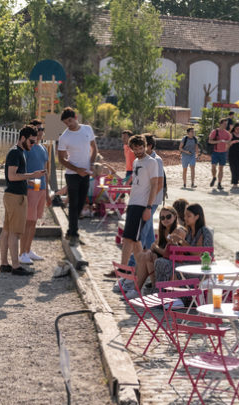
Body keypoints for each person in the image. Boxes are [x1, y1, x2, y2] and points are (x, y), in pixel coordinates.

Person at [105, 134, 160, 277]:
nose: (139, 150)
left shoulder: (151, 162)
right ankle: (142, 271)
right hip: (133, 203)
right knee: (133, 241)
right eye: (136, 148)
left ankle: (124, 270)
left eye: (141, 147)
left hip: (142, 205)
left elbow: (155, 185)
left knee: (131, 239)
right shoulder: (135, 162)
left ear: (145, 146)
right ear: (132, 149)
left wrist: (149, 207)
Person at [0, 125, 46, 276]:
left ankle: (5, 264)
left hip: (12, 195)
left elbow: (15, 177)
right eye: (31, 141)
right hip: (15, 197)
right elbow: (12, 176)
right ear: (23, 138)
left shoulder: (19, 152)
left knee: (7, 231)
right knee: (14, 232)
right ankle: (15, 266)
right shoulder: (15, 153)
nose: (33, 145)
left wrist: (28, 182)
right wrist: (32, 175)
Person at [57, 107, 98, 246]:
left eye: (69, 121)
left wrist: (91, 164)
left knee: (81, 204)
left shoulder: (87, 129)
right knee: (73, 204)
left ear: (75, 117)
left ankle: (71, 232)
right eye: (66, 123)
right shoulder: (64, 137)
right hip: (72, 175)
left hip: (86, 173)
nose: (68, 124)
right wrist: (77, 169)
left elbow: (94, 148)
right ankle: (74, 234)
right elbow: (61, 159)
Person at [154, 203, 213, 282]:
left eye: (188, 216)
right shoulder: (189, 231)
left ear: (197, 217)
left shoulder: (204, 231)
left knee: (161, 263)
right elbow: (186, 251)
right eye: (185, 215)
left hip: (200, 268)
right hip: (186, 263)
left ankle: (163, 290)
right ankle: (163, 290)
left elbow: (198, 253)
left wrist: (180, 240)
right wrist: (175, 245)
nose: (185, 218)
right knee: (159, 261)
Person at [19, 119, 50, 264]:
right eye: (38, 129)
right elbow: (22, 168)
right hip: (32, 186)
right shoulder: (28, 148)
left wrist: (48, 191)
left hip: (41, 186)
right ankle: (22, 252)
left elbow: (46, 170)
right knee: (28, 221)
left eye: (42, 129)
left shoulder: (43, 148)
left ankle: (28, 249)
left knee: (34, 221)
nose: (40, 131)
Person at [132, 206, 180, 293]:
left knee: (148, 255)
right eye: (162, 218)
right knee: (146, 255)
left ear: (175, 216)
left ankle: (139, 289)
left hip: (175, 261)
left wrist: (155, 248)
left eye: (168, 216)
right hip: (166, 258)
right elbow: (154, 246)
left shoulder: (177, 230)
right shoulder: (164, 230)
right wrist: (155, 248)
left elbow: (165, 252)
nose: (165, 219)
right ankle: (152, 287)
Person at [140, 134, 164, 251]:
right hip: (144, 199)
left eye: (142, 145)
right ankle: (151, 252)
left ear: (149, 146)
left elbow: (159, 183)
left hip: (152, 200)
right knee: (148, 228)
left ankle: (133, 262)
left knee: (144, 228)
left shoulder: (157, 160)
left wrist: (148, 199)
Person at [208, 118, 231, 190]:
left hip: (223, 153)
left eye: (226, 124)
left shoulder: (227, 133)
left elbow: (229, 142)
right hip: (215, 152)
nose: (225, 125)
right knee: (213, 167)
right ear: (220, 124)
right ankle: (214, 177)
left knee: (221, 169)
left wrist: (228, 144)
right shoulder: (215, 131)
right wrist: (219, 141)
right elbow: (210, 141)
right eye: (224, 124)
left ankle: (219, 183)